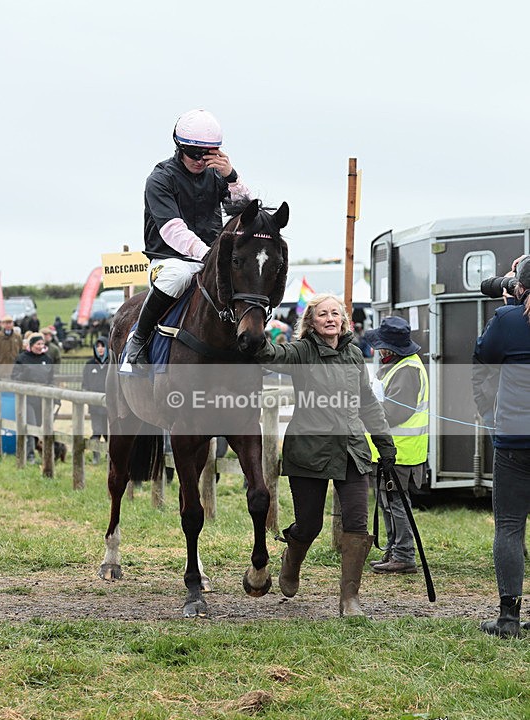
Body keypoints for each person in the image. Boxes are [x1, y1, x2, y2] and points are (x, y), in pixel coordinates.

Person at [254, 294, 396, 616]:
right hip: (309, 451)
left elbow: (368, 403)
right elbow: (268, 354)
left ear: (344, 320)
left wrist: (385, 446)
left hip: (352, 450)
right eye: (322, 314)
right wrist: (255, 325)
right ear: (311, 322)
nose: (330, 318)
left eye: (335, 313)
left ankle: (350, 599)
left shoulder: (355, 354)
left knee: (357, 524)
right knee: (309, 525)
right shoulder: (302, 352)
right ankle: (291, 560)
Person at [126, 108, 251, 365]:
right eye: (194, 154)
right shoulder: (160, 179)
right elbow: (172, 229)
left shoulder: (217, 176)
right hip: (169, 260)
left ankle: (253, 347)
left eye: (207, 154)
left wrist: (232, 177)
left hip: (210, 258)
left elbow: (244, 211)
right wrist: (207, 254)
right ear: (178, 146)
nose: (200, 160)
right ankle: (139, 338)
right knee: (180, 275)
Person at [473, 254, 530, 638]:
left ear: (519, 286)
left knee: (509, 527)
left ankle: (508, 619)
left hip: (514, 439)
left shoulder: (508, 320)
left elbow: (482, 361)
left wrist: (508, 306)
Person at [363, 316, 429, 575]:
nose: (377, 350)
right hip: (393, 451)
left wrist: (368, 407)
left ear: (389, 349)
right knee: (388, 503)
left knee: (396, 504)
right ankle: (394, 550)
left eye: (380, 346)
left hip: (401, 452)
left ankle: (403, 554)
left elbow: (393, 414)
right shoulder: (399, 366)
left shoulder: (407, 371)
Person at [11, 333, 54, 464]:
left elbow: (51, 379)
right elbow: (14, 377)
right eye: (38, 344)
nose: (40, 347)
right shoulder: (22, 358)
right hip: (27, 399)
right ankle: (30, 456)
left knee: (40, 426)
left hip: (43, 399)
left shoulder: (47, 359)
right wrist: (23, 375)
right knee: (31, 425)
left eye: (42, 344)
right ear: (31, 345)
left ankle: (38, 451)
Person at [81, 336, 109, 464]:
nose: (100, 349)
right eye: (97, 346)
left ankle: (111, 457)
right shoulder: (89, 365)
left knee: (110, 434)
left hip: (110, 406)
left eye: (102, 346)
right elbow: (85, 384)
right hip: (95, 406)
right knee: (96, 431)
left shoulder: (112, 364)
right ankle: (96, 457)